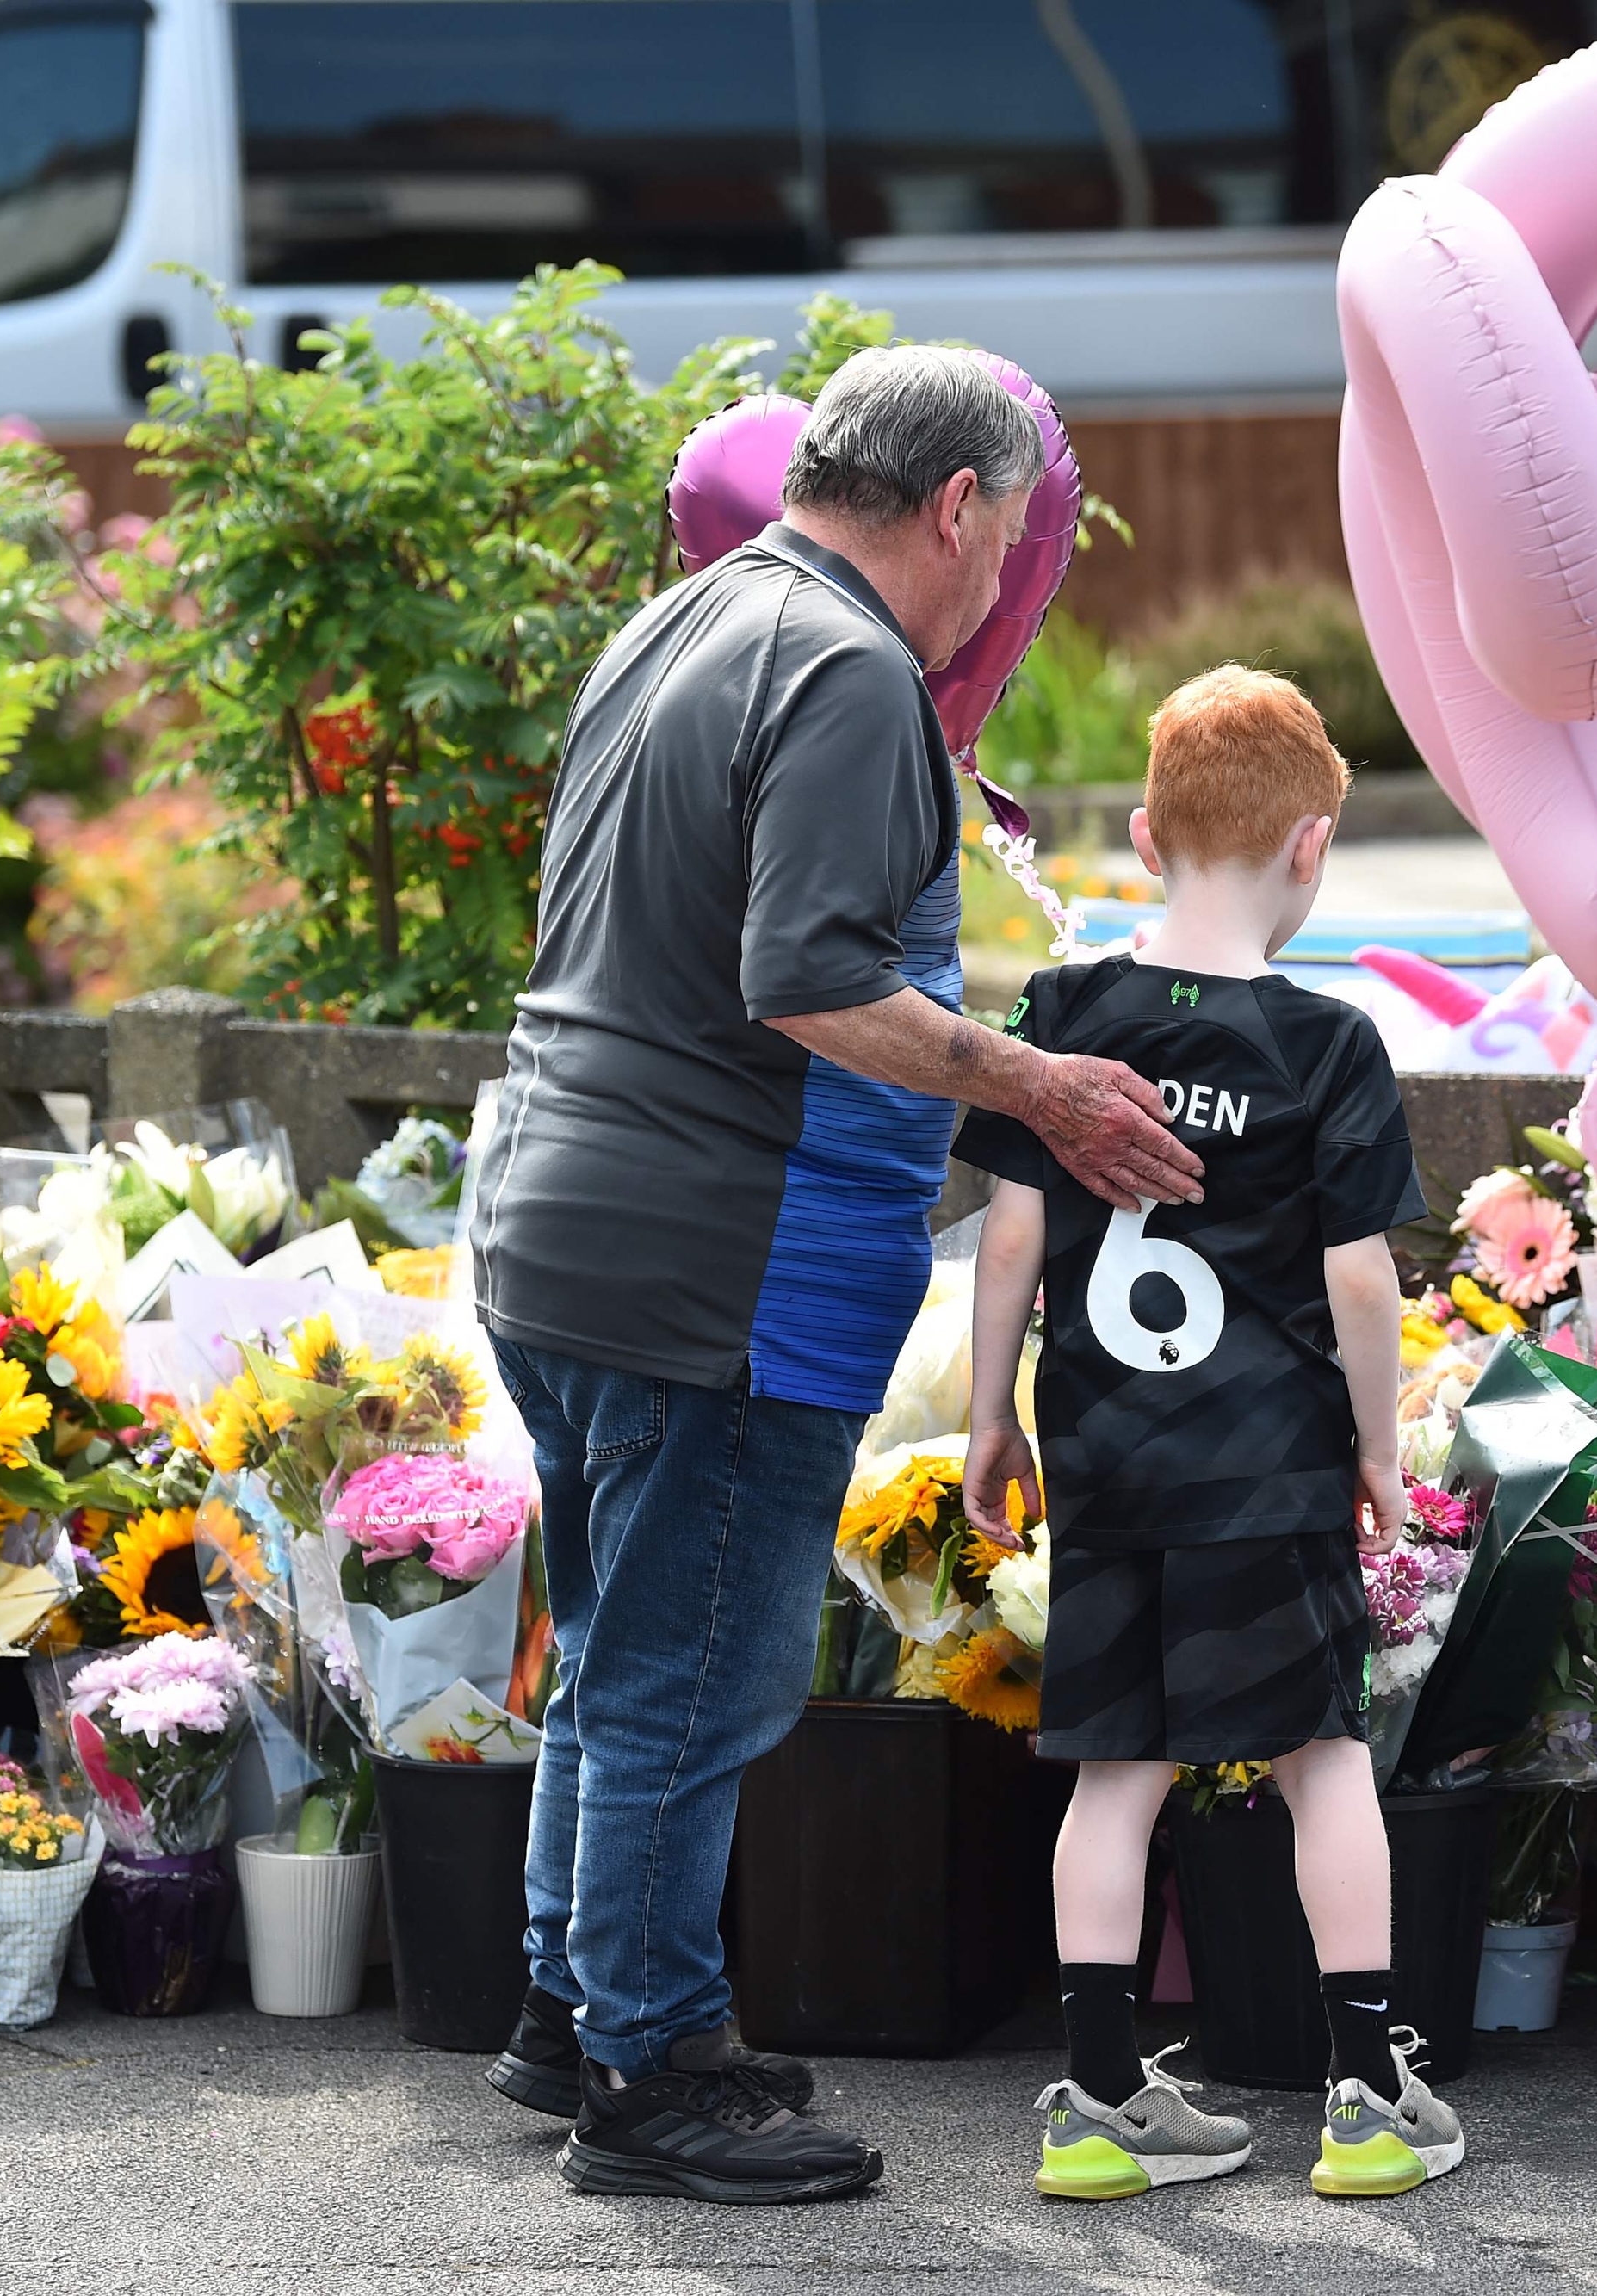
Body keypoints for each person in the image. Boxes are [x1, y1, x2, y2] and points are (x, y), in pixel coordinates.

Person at [467, 345, 1205, 2206]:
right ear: (957, 505)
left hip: (558, 1222)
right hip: (719, 1262)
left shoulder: (686, 617)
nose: (1005, 575)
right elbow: (801, 976)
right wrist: (1038, 1084)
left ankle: (576, 2003)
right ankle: (649, 2072)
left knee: (618, 1651)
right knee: (688, 1680)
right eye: (1015, 532)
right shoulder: (850, 666)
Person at [955, 666, 1467, 2203]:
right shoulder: (1326, 1046)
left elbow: (1004, 1237)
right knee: (1323, 1761)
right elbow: (1360, 1273)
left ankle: (1099, 2099)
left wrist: (989, 1414)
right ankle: (1367, 2093)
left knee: (1115, 1771)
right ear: (1313, 848)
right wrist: (1377, 1447)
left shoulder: (1064, 1016)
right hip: (1267, 1470)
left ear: (1142, 830)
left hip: (1109, 1465)